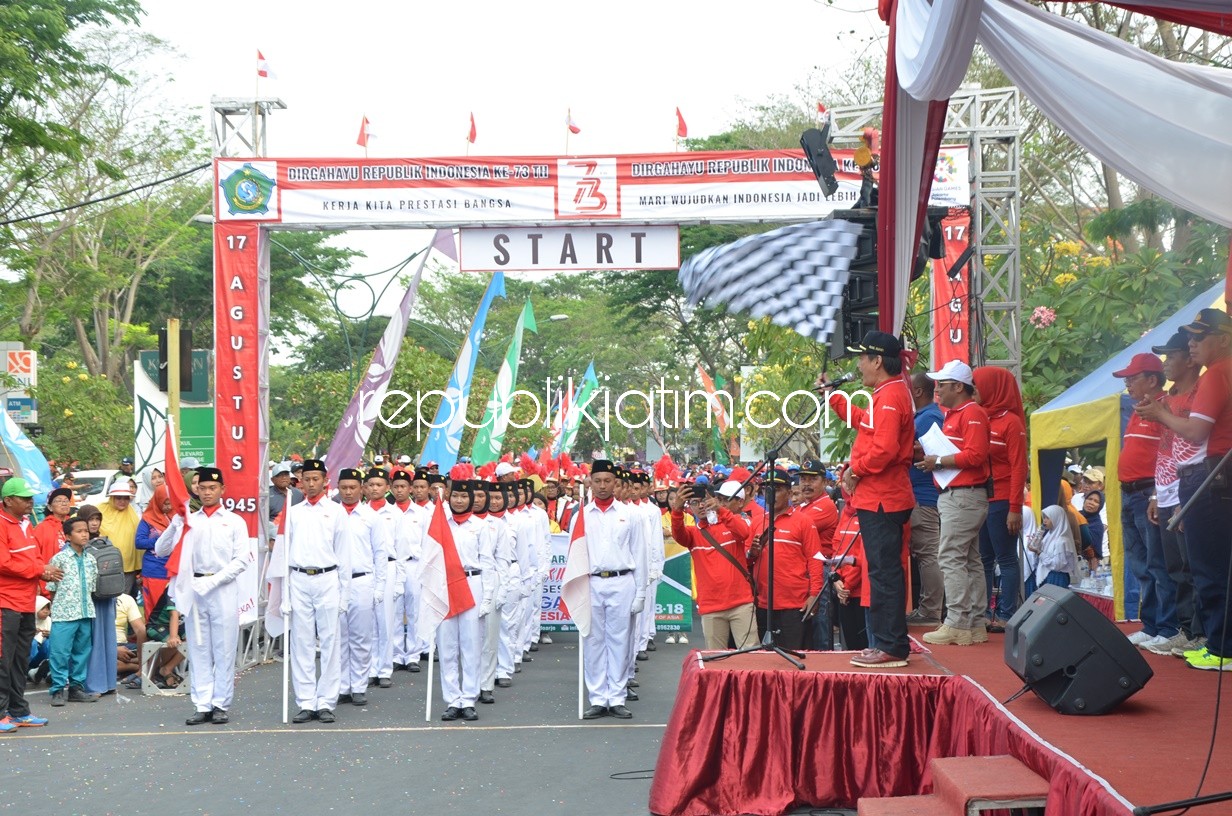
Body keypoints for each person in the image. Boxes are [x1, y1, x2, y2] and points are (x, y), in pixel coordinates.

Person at [1135, 308, 1232, 671]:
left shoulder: (1217, 374)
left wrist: (1161, 415)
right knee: (1208, 566)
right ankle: (1218, 643)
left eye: (1199, 337)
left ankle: (1221, 647)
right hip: (1208, 476)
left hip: (1209, 477)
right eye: (1190, 337)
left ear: (1224, 339)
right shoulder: (1218, 373)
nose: (1192, 343)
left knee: (1208, 567)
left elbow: (1195, 431)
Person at [819, 332, 916, 669]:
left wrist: (856, 470)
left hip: (882, 498)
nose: (859, 365)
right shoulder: (888, 392)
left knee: (884, 574)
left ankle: (890, 646)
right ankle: (890, 644)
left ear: (877, 361)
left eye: (862, 358)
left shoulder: (889, 396)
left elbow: (885, 449)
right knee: (884, 572)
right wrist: (834, 398)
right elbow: (867, 424)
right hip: (881, 497)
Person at [155, 466, 249, 725]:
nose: (207, 492)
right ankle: (202, 703)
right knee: (198, 648)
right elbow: (161, 549)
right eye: (203, 488)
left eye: (212, 488)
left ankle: (220, 704)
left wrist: (213, 582)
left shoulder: (234, 521)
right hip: (194, 588)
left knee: (224, 648)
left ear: (222, 490)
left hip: (222, 587)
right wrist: (176, 523)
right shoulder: (190, 520)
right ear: (196, 489)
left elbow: (241, 560)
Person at [920, 360, 991, 648]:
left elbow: (976, 455)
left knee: (950, 557)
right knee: (968, 559)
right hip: (962, 495)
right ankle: (974, 623)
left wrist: (937, 461)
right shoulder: (961, 413)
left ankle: (957, 623)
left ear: (959, 387)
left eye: (942, 384)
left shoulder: (971, 413)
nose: (936, 389)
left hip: (962, 495)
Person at [1113, 352, 1181, 651]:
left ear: (1152, 380)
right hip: (1130, 493)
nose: (1128, 384)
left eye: (1132, 378)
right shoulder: (1139, 409)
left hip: (1148, 493)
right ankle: (1152, 625)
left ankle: (1167, 626)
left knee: (1157, 563)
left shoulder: (1163, 408)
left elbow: (1169, 455)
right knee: (1141, 563)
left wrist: (1155, 492)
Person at [274, 459, 351, 723]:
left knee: (330, 641)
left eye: (315, 479)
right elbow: (284, 554)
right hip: (299, 579)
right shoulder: (294, 512)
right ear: (301, 482)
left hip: (327, 578)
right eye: (306, 479)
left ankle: (326, 701)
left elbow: (344, 555)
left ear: (325, 481)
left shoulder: (336, 512)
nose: (311, 483)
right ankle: (306, 701)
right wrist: (284, 594)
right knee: (301, 643)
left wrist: (344, 594)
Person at [1146, 330, 1204, 656]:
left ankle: (1203, 633)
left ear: (1189, 359)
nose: (1165, 363)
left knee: (1195, 567)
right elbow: (1166, 450)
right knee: (1176, 569)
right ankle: (1186, 630)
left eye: (1171, 356)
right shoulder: (1167, 399)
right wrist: (1157, 494)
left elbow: (1195, 443)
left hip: (1191, 488)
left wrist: (1183, 497)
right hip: (1168, 491)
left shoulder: (1199, 394)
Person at [580, 460, 648, 720]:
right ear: (590, 482)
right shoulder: (582, 515)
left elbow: (639, 553)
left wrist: (640, 592)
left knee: (620, 642)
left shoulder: (630, 514)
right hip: (592, 583)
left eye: (607, 481)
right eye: (597, 481)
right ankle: (598, 698)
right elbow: (575, 555)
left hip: (622, 581)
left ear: (615, 483)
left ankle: (617, 697)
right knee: (593, 641)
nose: (602, 486)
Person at [0, 477, 62, 732]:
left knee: (20, 660)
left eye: (30, 497)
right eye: (24, 498)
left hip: (26, 602)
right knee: (3, 659)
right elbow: (4, 563)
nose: (30, 502)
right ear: (7, 501)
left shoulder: (25, 523)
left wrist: (44, 572)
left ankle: (18, 711)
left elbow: (34, 558)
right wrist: (39, 569)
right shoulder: (1, 524)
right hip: (6, 603)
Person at [972, 365, 1028, 632]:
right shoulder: (980, 417)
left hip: (1003, 500)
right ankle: (983, 613)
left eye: (977, 385)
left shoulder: (1011, 422)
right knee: (983, 558)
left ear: (993, 388)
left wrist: (1015, 507)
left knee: (1005, 558)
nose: (973, 390)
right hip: (983, 498)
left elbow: (1019, 467)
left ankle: (1007, 615)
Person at [668, 481, 755, 650]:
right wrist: (677, 510)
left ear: (713, 499)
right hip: (711, 607)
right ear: (689, 507)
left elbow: (744, 533)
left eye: (703, 500)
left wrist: (720, 509)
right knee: (717, 659)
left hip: (741, 603)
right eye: (694, 502)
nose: (700, 506)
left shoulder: (732, 521)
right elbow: (678, 535)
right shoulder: (693, 533)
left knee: (749, 656)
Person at [438, 476, 496, 722]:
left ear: (471, 499)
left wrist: (488, 596)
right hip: (446, 585)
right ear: (449, 497)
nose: (459, 500)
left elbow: (488, 562)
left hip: (473, 584)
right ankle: (453, 700)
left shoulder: (480, 526)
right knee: (447, 645)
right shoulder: (441, 524)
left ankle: (469, 698)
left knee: (471, 645)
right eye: (455, 496)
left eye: (464, 496)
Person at [334, 467, 389, 707]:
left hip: (362, 581)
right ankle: (341, 686)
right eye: (344, 488)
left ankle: (358, 685)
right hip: (335, 582)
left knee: (361, 637)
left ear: (362, 489)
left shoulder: (371, 516)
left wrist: (379, 587)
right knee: (338, 637)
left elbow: (380, 553)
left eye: (353, 488)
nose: (348, 492)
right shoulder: (332, 514)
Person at [46, 516, 100, 706]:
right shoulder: (59, 559)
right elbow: (52, 589)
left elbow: (92, 588)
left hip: (85, 612)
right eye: (79, 531)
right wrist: (58, 608)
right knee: (60, 652)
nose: (84, 534)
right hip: (64, 613)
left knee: (82, 652)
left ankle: (77, 688)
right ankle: (58, 689)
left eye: (86, 531)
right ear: (68, 536)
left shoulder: (91, 559)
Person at [907, 373, 944, 627]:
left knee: (929, 554)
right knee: (926, 554)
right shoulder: (922, 416)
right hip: (919, 496)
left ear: (918, 391)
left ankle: (931, 611)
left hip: (924, 497)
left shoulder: (930, 417)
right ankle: (928, 608)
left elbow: (934, 452)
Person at [794, 459, 840, 649]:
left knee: (820, 621)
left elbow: (795, 528)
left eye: (812, 479)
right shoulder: (803, 506)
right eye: (803, 479)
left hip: (821, 569)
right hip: (806, 569)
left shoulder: (825, 506)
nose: (806, 484)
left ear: (825, 482)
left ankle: (824, 660)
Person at [135, 485, 175, 615]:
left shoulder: (176, 517)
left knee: (173, 611)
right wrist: (161, 540)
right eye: (165, 503)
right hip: (155, 570)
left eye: (171, 503)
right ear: (158, 500)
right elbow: (139, 542)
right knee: (155, 610)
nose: (168, 507)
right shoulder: (148, 519)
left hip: (174, 569)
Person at [98, 482, 141, 596]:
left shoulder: (132, 514)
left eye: (126, 498)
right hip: (104, 566)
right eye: (118, 498)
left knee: (123, 599)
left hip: (128, 567)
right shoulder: (99, 510)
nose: (123, 501)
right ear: (112, 498)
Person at [1025, 506, 1077, 596]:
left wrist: (1039, 552)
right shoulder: (1048, 536)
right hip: (1049, 576)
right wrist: (1036, 541)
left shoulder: (1062, 541)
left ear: (1057, 518)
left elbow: (1057, 565)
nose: (1044, 521)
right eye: (1044, 518)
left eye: (1048, 518)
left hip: (1057, 578)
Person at [114, 591, 146, 685]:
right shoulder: (92, 598)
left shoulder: (126, 599)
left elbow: (140, 630)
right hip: (100, 646)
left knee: (157, 653)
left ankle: (131, 665)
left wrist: (142, 655)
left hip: (124, 646)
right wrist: (113, 650)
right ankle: (134, 667)